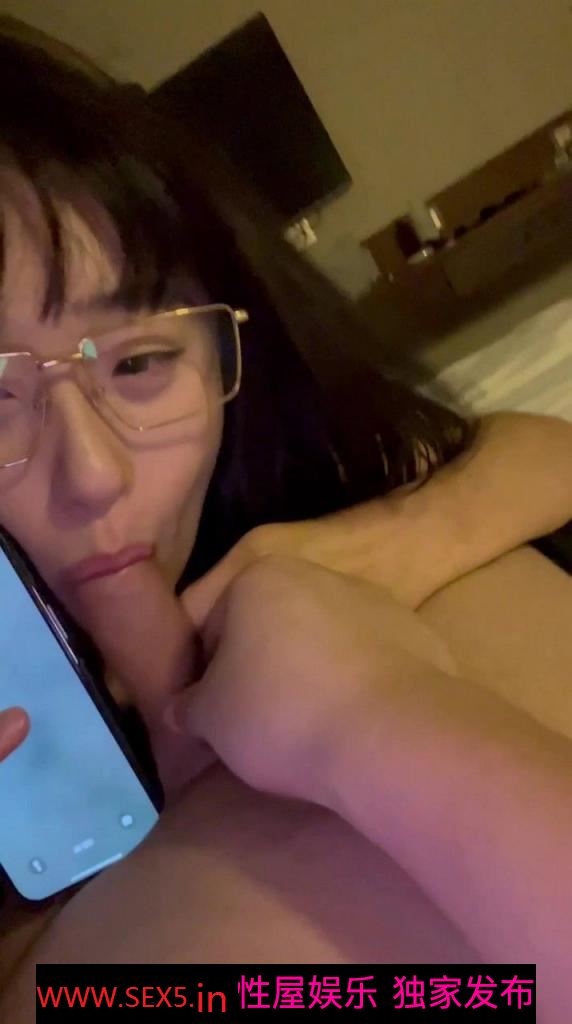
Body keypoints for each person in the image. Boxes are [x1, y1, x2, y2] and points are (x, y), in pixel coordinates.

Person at [0, 23, 570, 1022]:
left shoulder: (315, 553)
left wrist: (371, 701)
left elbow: (521, 455)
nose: (93, 473)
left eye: (140, 361)